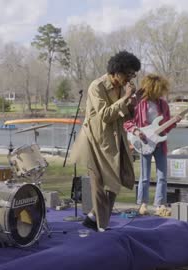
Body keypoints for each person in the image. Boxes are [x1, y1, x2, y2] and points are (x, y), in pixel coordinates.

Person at [70, 50, 141, 232]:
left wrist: (133, 103)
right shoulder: (97, 86)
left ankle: (94, 218)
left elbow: (124, 117)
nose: (130, 78)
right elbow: (105, 115)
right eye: (128, 73)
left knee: (116, 182)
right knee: (101, 184)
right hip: (94, 141)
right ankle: (101, 226)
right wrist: (125, 98)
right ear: (116, 71)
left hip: (114, 140)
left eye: (133, 74)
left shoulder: (121, 87)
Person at [124, 74, 181, 217]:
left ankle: (160, 205)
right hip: (144, 143)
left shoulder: (163, 105)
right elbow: (127, 123)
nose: (160, 93)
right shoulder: (139, 104)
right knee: (145, 176)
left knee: (162, 176)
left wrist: (174, 122)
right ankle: (143, 204)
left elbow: (165, 128)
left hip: (160, 144)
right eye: (157, 89)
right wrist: (137, 131)